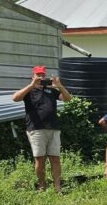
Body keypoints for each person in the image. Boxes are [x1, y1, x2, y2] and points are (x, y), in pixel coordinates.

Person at [12, 65, 72, 193]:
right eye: (38, 75)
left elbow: (68, 99)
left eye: (43, 75)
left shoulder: (51, 90)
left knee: (55, 159)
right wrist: (31, 85)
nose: (41, 77)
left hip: (53, 129)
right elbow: (15, 98)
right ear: (33, 76)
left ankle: (57, 188)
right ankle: (41, 187)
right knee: (40, 159)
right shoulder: (29, 91)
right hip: (36, 129)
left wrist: (59, 86)